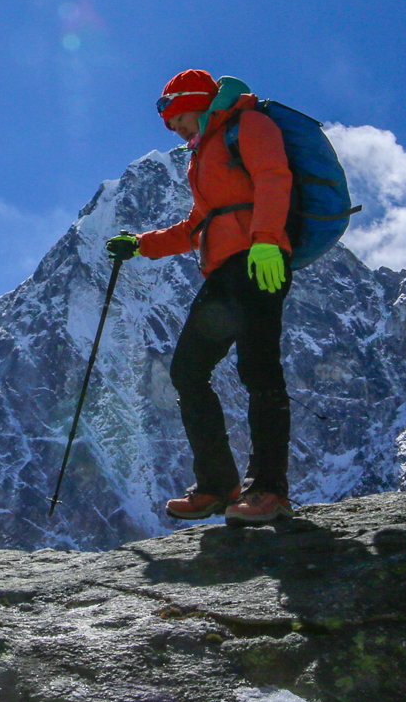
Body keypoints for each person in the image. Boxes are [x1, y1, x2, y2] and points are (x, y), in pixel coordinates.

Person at [107, 69, 295, 526]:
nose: (174, 129)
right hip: (224, 271)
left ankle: (269, 489)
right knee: (188, 371)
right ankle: (217, 484)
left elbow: (273, 176)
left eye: (176, 118)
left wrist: (268, 238)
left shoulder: (249, 126)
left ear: (196, 102)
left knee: (258, 368)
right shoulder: (204, 154)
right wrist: (142, 244)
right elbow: (198, 225)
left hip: (260, 259)